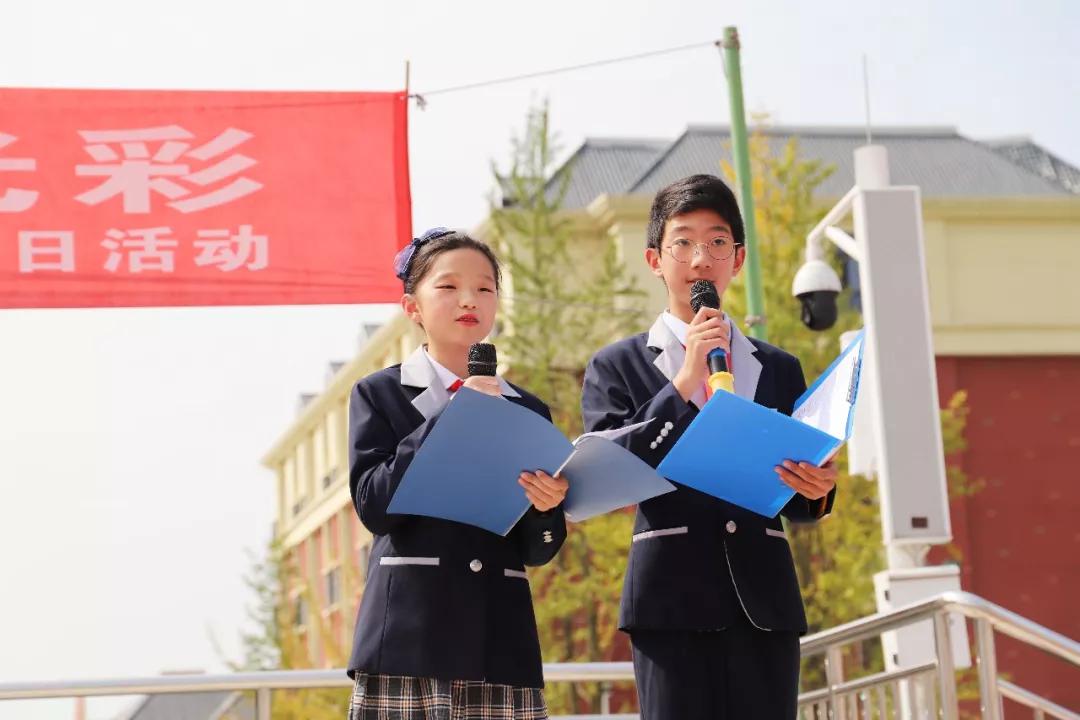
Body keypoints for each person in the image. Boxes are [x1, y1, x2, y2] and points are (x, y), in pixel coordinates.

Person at [581, 175, 838, 719]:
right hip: (669, 604)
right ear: (655, 259)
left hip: (764, 605)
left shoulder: (779, 367)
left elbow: (797, 500)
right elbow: (607, 474)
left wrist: (816, 490)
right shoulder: (617, 365)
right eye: (683, 242)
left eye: (718, 242)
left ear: (738, 259)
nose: (702, 258)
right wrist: (682, 381)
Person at [346, 227, 569, 720]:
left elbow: (540, 549)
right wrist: (451, 416)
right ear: (413, 308)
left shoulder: (527, 407)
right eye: (448, 286)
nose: (469, 299)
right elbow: (374, 507)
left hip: (501, 640)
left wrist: (547, 508)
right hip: (410, 639)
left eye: (485, 288)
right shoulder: (379, 394)